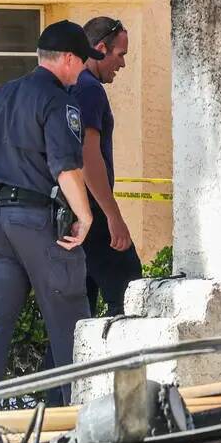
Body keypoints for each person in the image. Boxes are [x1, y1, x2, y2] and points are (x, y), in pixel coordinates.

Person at [0, 20, 102, 403]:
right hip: (38, 223)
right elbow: (65, 166)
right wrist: (85, 217)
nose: (83, 70)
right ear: (68, 59)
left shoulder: (2, 94)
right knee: (70, 319)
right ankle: (74, 412)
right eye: (83, 62)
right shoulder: (58, 100)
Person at [72, 16, 143, 317]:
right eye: (120, 55)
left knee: (77, 315)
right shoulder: (88, 89)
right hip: (90, 211)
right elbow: (88, 155)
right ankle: (128, 365)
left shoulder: (69, 85)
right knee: (131, 293)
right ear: (101, 48)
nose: (123, 64)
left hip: (69, 214)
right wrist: (113, 216)